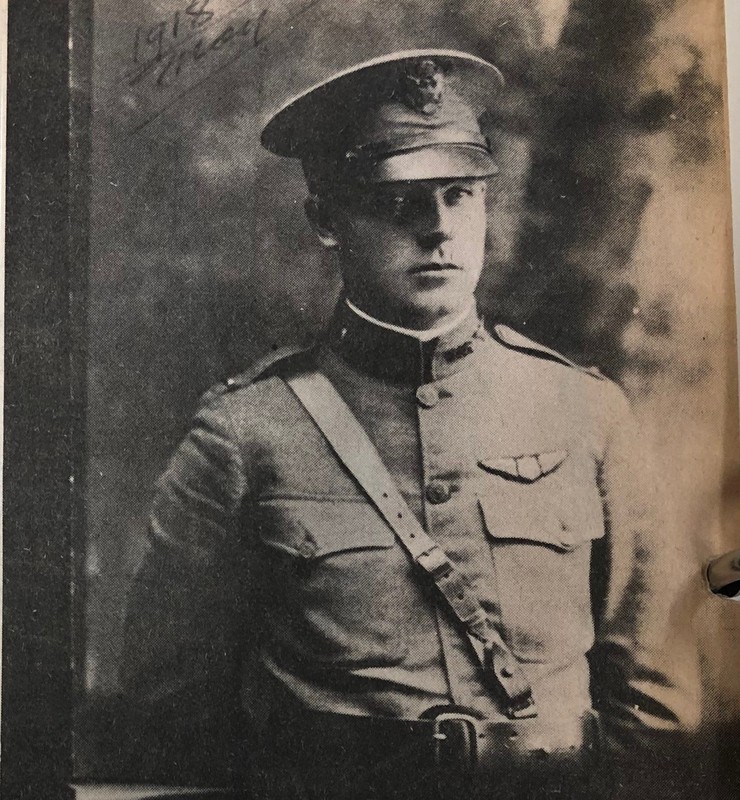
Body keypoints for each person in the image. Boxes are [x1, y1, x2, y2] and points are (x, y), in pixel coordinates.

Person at [122, 49, 693, 799]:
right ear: (327, 220)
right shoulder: (245, 435)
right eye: (400, 200)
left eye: (460, 193)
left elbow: (652, 698)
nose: (438, 228)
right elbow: (172, 707)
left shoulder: (585, 412)